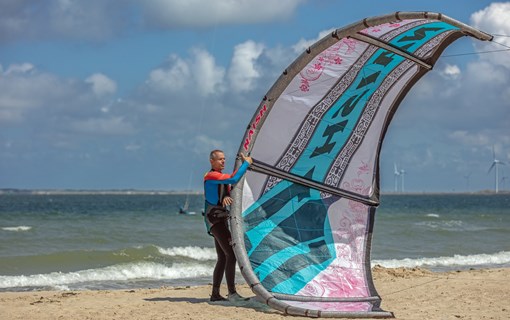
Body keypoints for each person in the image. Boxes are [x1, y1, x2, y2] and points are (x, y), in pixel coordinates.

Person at [203, 149, 252, 302]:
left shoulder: (219, 177)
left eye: (224, 159)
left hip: (220, 219)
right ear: (212, 161)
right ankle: (232, 293)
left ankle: (215, 294)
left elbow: (226, 188)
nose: (223, 162)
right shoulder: (211, 175)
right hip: (214, 221)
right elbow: (232, 179)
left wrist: (225, 196)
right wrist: (246, 164)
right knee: (231, 254)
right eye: (219, 159)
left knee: (223, 257)